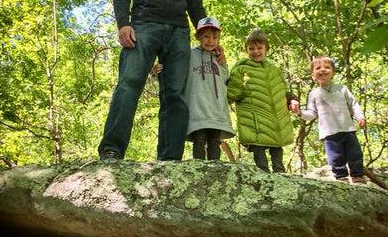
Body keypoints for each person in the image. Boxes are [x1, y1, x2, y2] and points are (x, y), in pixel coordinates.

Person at [98, 0, 213, 161]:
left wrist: (209, 36)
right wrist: (122, 24)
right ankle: (112, 148)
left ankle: (170, 159)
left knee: (175, 94)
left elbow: (196, 6)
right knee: (129, 84)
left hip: (178, 32)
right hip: (143, 26)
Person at [154, 17, 235, 160]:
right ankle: (198, 166)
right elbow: (174, 68)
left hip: (217, 109)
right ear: (197, 36)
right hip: (197, 107)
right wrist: (157, 71)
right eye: (206, 36)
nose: (210, 41)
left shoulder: (220, 59)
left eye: (215, 37)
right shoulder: (189, 54)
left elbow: (227, 82)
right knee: (199, 138)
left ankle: (216, 168)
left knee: (215, 140)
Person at [289, 55, 367, 184]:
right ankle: (341, 177)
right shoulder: (314, 94)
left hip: (347, 129)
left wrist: (360, 117)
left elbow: (353, 104)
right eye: (318, 68)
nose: (322, 70)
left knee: (355, 154)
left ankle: (357, 175)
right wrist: (299, 112)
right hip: (329, 133)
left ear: (333, 73)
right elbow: (312, 113)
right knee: (335, 158)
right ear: (313, 75)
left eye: (327, 67)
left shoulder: (342, 89)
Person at [227, 29, 293, 173]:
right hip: (253, 116)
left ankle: (279, 170)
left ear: (266, 49)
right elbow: (232, 90)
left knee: (277, 144)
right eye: (251, 48)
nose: (256, 51)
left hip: (275, 115)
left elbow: (282, 89)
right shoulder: (241, 69)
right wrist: (225, 101)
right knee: (258, 145)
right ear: (246, 50)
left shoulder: (275, 70)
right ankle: (262, 171)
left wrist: (291, 99)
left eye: (259, 48)